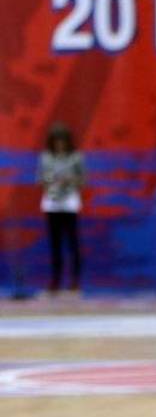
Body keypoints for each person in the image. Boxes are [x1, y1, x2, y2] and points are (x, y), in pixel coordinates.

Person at [36, 123, 85, 295]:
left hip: (70, 202)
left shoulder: (76, 157)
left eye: (62, 141)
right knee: (54, 243)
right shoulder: (45, 157)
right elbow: (40, 179)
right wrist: (52, 181)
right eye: (56, 141)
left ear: (67, 141)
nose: (59, 144)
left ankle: (75, 281)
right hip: (52, 202)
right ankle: (55, 281)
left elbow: (83, 180)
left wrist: (70, 180)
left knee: (73, 242)